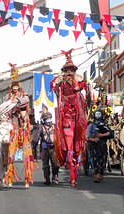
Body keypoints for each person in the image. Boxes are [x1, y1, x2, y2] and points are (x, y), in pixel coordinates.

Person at [51, 49, 88, 187]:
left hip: (76, 113)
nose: (69, 72)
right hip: (66, 113)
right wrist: (58, 91)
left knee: (78, 140)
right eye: (67, 70)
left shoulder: (78, 81)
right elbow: (54, 89)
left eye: (71, 70)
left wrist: (80, 87)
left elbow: (84, 86)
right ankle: (68, 156)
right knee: (67, 140)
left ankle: (74, 169)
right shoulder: (60, 81)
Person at [4, 64, 34, 189]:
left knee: (27, 153)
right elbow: (6, 108)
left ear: (19, 87)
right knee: (10, 153)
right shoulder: (8, 96)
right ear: (11, 87)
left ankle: (27, 180)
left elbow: (25, 102)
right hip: (13, 125)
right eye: (13, 86)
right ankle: (9, 179)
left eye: (17, 86)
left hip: (23, 125)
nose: (15, 88)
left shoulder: (24, 95)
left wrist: (17, 102)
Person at [32, 104, 60, 185]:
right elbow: (35, 139)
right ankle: (47, 179)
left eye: (50, 118)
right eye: (47, 118)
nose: (49, 120)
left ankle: (55, 178)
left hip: (54, 147)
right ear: (44, 119)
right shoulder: (40, 127)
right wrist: (33, 147)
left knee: (55, 164)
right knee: (45, 165)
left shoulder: (55, 126)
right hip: (44, 148)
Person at [87, 108, 111, 183]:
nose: (98, 116)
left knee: (103, 159)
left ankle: (101, 175)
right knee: (95, 159)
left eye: (99, 114)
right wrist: (93, 139)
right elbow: (87, 136)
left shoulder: (105, 124)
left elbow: (110, 133)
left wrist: (102, 135)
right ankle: (97, 174)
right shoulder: (91, 125)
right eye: (96, 114)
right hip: (95, 145)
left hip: (103, 144)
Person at [0, 114, 12, 188]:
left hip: (7, 145)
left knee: (6, 162)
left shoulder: (10, 125)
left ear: (7, 117)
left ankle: (5, 179)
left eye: (5, 115)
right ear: (0, 117)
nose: (3, 117)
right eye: (2, 116)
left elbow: (13, 136)